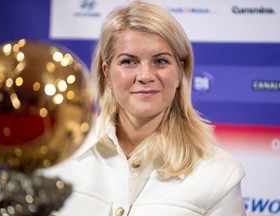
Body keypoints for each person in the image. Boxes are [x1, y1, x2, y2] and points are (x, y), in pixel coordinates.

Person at [46, 1, 246, 215]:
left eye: (160, 61)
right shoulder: (56, 152)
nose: (145, 76)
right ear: (107, 74)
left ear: (180, 71)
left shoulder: (220, 175)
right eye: (129, 62)